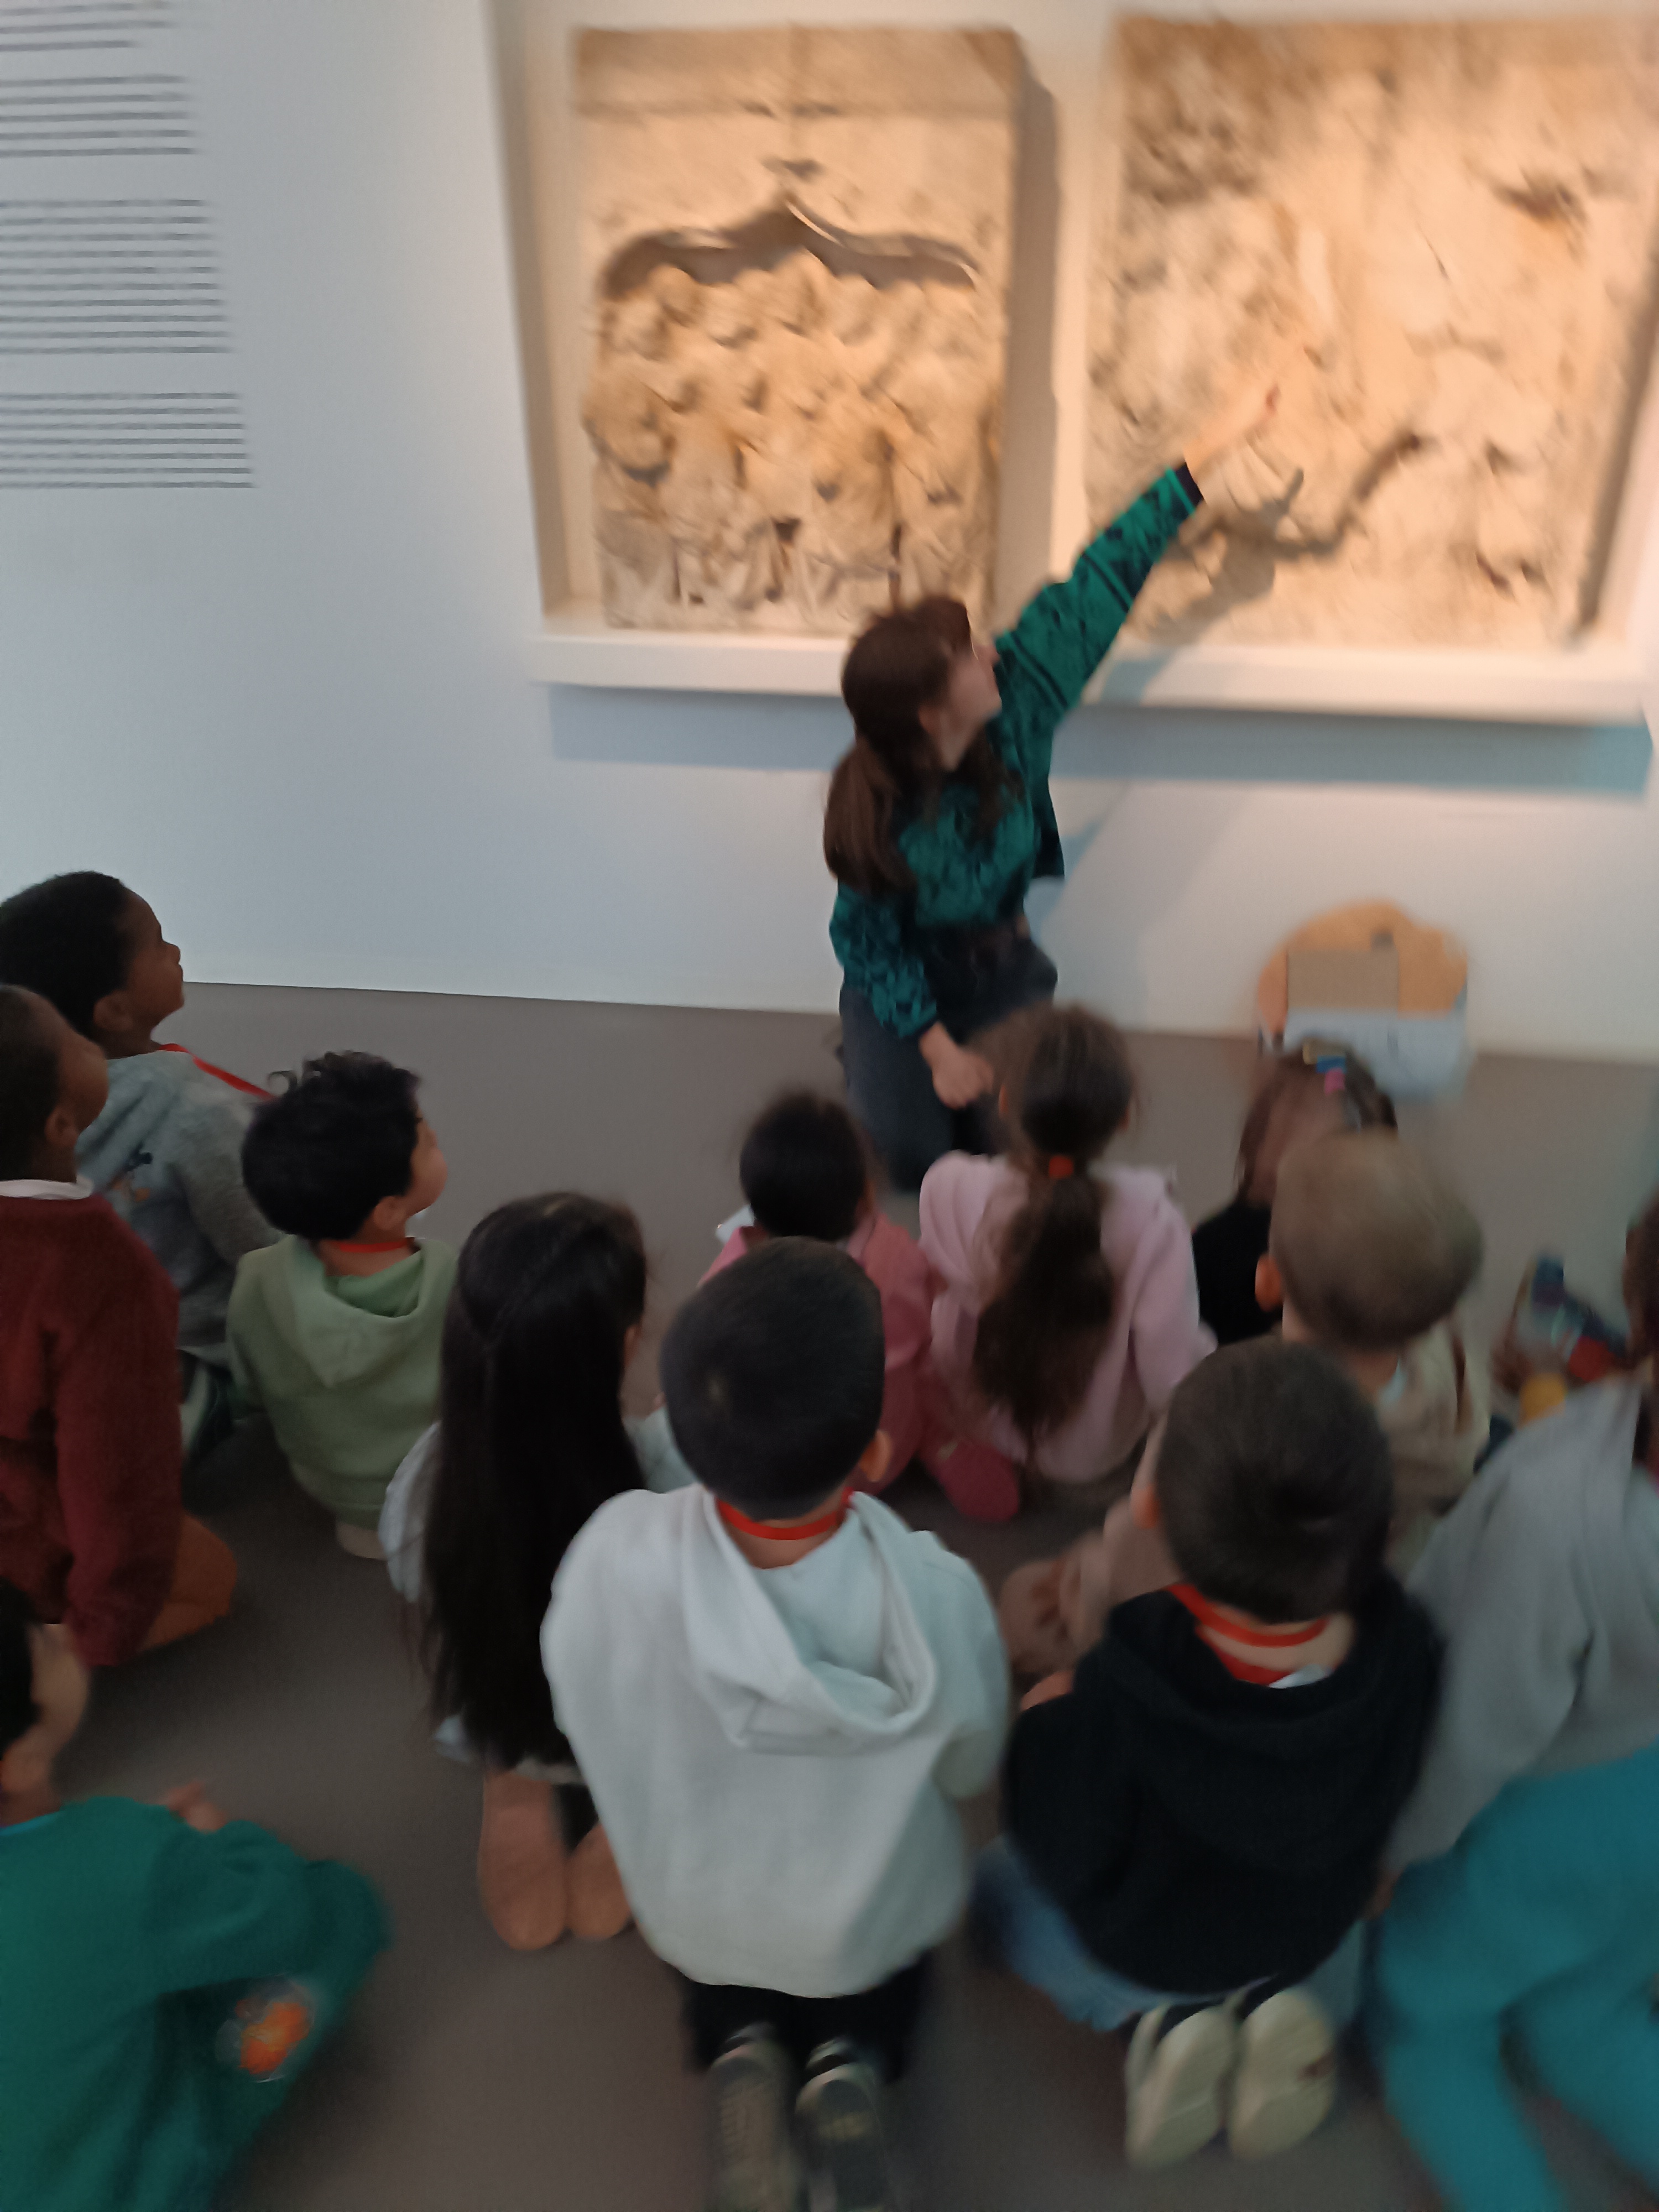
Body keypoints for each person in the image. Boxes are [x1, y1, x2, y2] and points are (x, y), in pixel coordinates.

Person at [544, 1240, 1008, 2212]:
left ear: (678, 1428)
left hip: (700, 1907)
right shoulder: (934, 1594)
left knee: (722, 1982)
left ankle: (742, 2051)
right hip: (865, 1920)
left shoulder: (608, 1557)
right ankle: (850, 2066)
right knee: (879, 1987)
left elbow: (577, 1698)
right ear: (875, 1455)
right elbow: (972, 1764)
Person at [974, 1340, 1439, 2171]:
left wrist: (1046, 1725)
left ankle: (1159, 2024)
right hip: (1307, 1924)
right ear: (1384, 1525)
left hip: (1160, 1946)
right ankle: (1283, 2010)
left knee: (1001, 1893)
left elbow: (1063, 1840)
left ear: (1152, 1511)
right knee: (1331, 1947)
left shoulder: (1127, 1680)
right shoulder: (1406, 1646)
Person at [824, 378, 1281, 1191]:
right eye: (969, 656)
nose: (992, 652)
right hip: (908, 982)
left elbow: (1106, 573)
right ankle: (873, 1050)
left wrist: (1215, 442)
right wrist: (936, 1049)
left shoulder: (1020, 700)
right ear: (931, 713)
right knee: (911, 1161)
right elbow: (868, 944)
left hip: (1001, 973)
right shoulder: (877, 813)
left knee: (1020, 1146)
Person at [1368, 1191, 1659, 2212]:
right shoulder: (1597, 1467)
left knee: (1426, 2019)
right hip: (1646, 1821)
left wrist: (1394, 1849)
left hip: (1551, 1819)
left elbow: (1476, 1732)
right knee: (1589, 2011)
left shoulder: (1557, 1522)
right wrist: (1561, 1381)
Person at [1002, 1127, 1484, 1677]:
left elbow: (1151, 1545)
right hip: (1354, 1615)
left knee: (1022, 1605)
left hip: (1220, 1625)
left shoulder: (1227, 1407)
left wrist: (1086, 1585)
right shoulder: (1457, 1382)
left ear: (1268, 1281)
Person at [0, 1577, 388, 2212]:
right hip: (129, 2188)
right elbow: (277, 1914)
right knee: (338, 1909)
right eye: (43, 1644)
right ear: (17, 1762)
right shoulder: (120, 1856)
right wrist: (223, 1840)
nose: (62, 1631)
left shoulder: (112, 1860)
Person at [378, 1193, 691, 1952]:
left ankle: (514, 1780)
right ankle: (629, 1805)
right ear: (627, 1344)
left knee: (492, 1666)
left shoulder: (425, 1486)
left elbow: (426, 1592)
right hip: (632, 1717)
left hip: (506, 1703)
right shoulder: (668, 1475)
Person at [0, 872, 276, 1455]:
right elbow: (271, 1251)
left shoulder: (20, 1100)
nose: (174, 951)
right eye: (157, 943)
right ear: (115, 1010)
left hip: (55, 1361)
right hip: (187, 1363)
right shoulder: (192, 1106)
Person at [0, 987, 235, 1666]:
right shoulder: (97, 1267)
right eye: (74, 1042)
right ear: (60, 1125)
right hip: (24, 1537)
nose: (88, 1042)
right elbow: (116, 1470)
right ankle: (34, 1668)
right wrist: (102, 1623)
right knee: (209, 1576)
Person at [920, 1005, 1213, 1514]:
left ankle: (972, 1454)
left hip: (985, 1413)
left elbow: (940, 1291)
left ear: (1006, 1103)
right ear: (1123, 1119)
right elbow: (1171, 1375)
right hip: (1093, 1455)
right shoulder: (1154, 1224)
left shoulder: (950, 1187)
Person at [693, 1087, 1012, 1518]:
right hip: (887, 1443)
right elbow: (923, 1328)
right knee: (926, 1368)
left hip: (796, 1481)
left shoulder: (724, 1288)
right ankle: (940, 1440)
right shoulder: (897, 1261)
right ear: (866, 1195)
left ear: (758, 1216)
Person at [229, 1052, 456, 1557]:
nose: (437, 1140)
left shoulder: (258, 1277)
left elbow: (249, 1388)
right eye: (427, 1142)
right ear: (389, 1211)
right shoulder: (451, 1279)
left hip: (327, 1485)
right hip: (433, 1485)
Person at [1190, 1041, 1395, 1347]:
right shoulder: (1212, 1247)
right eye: (1282, 1110)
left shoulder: (1368, 1256)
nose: (1287, 1122)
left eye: (1304, 1110)